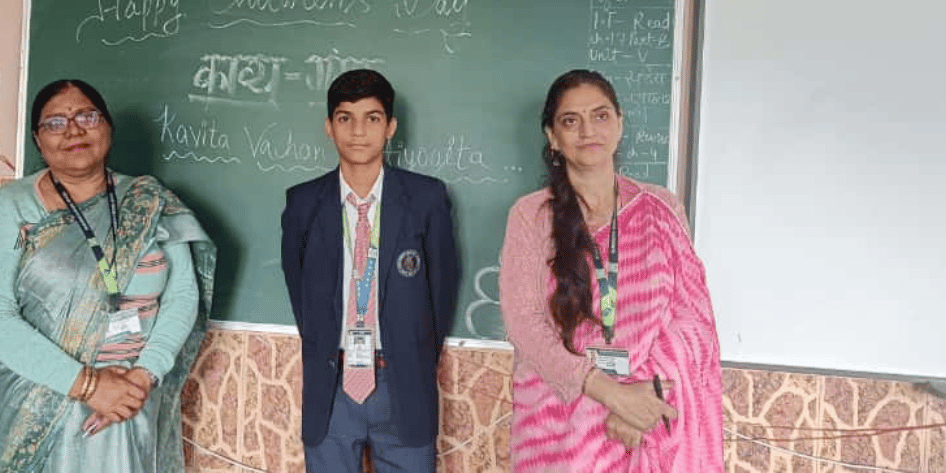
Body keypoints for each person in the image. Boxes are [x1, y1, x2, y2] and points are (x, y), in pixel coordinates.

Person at [0, 79, 216, 473]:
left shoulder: (148, 202)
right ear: (38, 140)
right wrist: (89, 386)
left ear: (108, 126)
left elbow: (183, 293)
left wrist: (142, 378)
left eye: (86, 116)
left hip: (133, 402)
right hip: (46, 405)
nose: (73, 130)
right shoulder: (10, 209)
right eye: (55, 122)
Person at [498, 69, 723, 471]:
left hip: (647, 416)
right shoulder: (531, 216)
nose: (588, 130)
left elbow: (692, 319)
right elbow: (524, 324)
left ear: (619, 123)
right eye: (571, 120)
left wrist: (643, 399)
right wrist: (609, 393)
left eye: (600, 116)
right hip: (558, 431)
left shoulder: (661, 209)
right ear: (552, 136)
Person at [281, 69, 460, 472]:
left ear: (391, 127)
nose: (358, 131)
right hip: (332, 385)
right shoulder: (302, 204)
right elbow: (300, 292)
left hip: (402, 382)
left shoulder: (426, 198)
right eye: (345, 117)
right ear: (329, 127)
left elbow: (442, 293)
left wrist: (409, 356)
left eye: (372, 117)